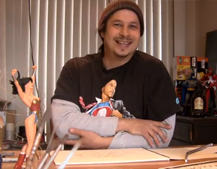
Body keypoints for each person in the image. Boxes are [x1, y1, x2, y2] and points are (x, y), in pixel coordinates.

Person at [51, 0, 181, 149]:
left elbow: (163, 136)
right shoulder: (75, 69)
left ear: (140, 34)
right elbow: (63, 125)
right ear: (102, 31)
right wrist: (127, 124)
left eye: (132, 26)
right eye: (117, 25)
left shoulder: (154, 70)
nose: (125, 33)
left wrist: (104, 143)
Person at [10, 65, 41, 169]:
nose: (32, 85)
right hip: (31, 118)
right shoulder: (25, 96)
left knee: (29, 143)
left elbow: (33, 78)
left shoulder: (32, 94)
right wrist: (13, 76)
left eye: (32, 84)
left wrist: (34, 71)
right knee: (31, 143)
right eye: (29, 84)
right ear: (25, 86)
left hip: (35, 118)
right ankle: (28, 165)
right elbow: (18, 86)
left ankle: (18, 165)